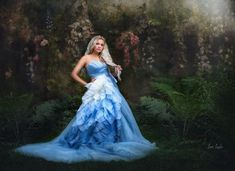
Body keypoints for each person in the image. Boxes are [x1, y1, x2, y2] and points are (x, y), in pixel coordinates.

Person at [15, 35, 157, 163]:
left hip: (109, 89)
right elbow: (74, 73)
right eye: (97, 44)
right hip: (95, 89)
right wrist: (87, 84)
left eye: (102, 44)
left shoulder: (103, 58)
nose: (100, 46)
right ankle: (90, 141)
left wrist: (116, 69)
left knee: (112, 114)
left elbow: (109, 74)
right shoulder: (86, 58)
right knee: (91, 115)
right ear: (92, 45)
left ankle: (110, 140)